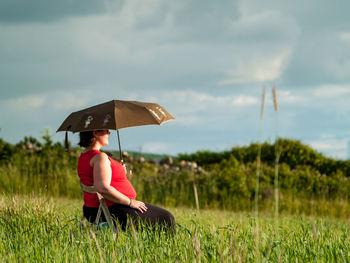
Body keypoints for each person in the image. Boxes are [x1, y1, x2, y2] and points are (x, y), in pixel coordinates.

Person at [77, 129, 175, 230]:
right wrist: (130, 202)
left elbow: (99, 178)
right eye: (106, 131)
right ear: (95, 133)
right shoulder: (100, 157)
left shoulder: (84, 156)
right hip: (110, 209)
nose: (109, 133)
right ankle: (108, 227)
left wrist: (120, 172)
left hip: (93, 208)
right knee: (166, 218)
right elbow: (102, 188)